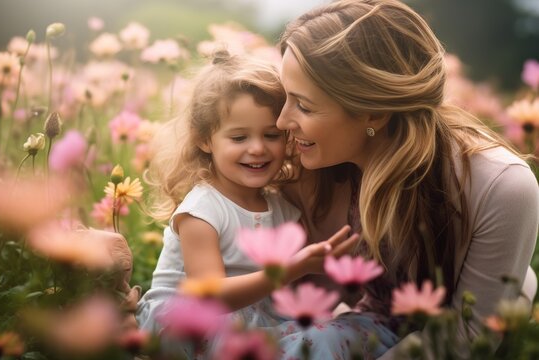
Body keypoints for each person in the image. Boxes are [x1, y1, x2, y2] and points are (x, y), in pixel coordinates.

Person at [273, 0, 539, 358]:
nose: (282, 121)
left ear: (374, 111)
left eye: (303, 105)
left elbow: (468, 334)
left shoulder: (502, 186)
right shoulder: (327, 158)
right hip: (367, 327)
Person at [136, 51, 357, 357]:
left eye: (271, 135)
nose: (257, 149)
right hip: (191, 318)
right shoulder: (202, 211)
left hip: (250, 316)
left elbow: (285, 290)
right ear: (204, 140)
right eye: (239, 138)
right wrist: (290, 270)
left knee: (316, 335)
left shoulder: (283, 209)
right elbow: (210, 297)